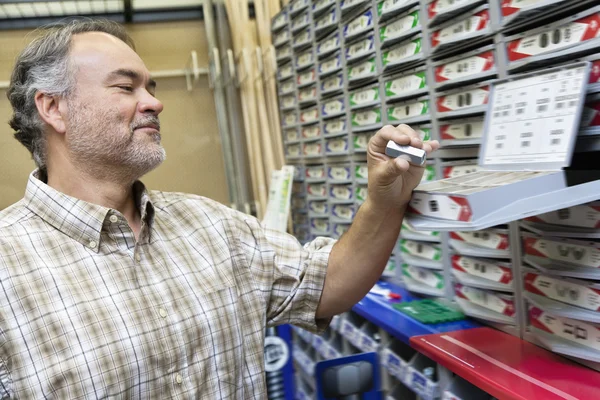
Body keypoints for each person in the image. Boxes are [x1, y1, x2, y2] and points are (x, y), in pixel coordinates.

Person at [1, 19, 439, 398]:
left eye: (150, 87)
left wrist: (384, 200)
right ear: (53, 108)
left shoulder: (209, 223)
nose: (155, 102)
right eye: (125, 86)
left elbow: (329, 284)